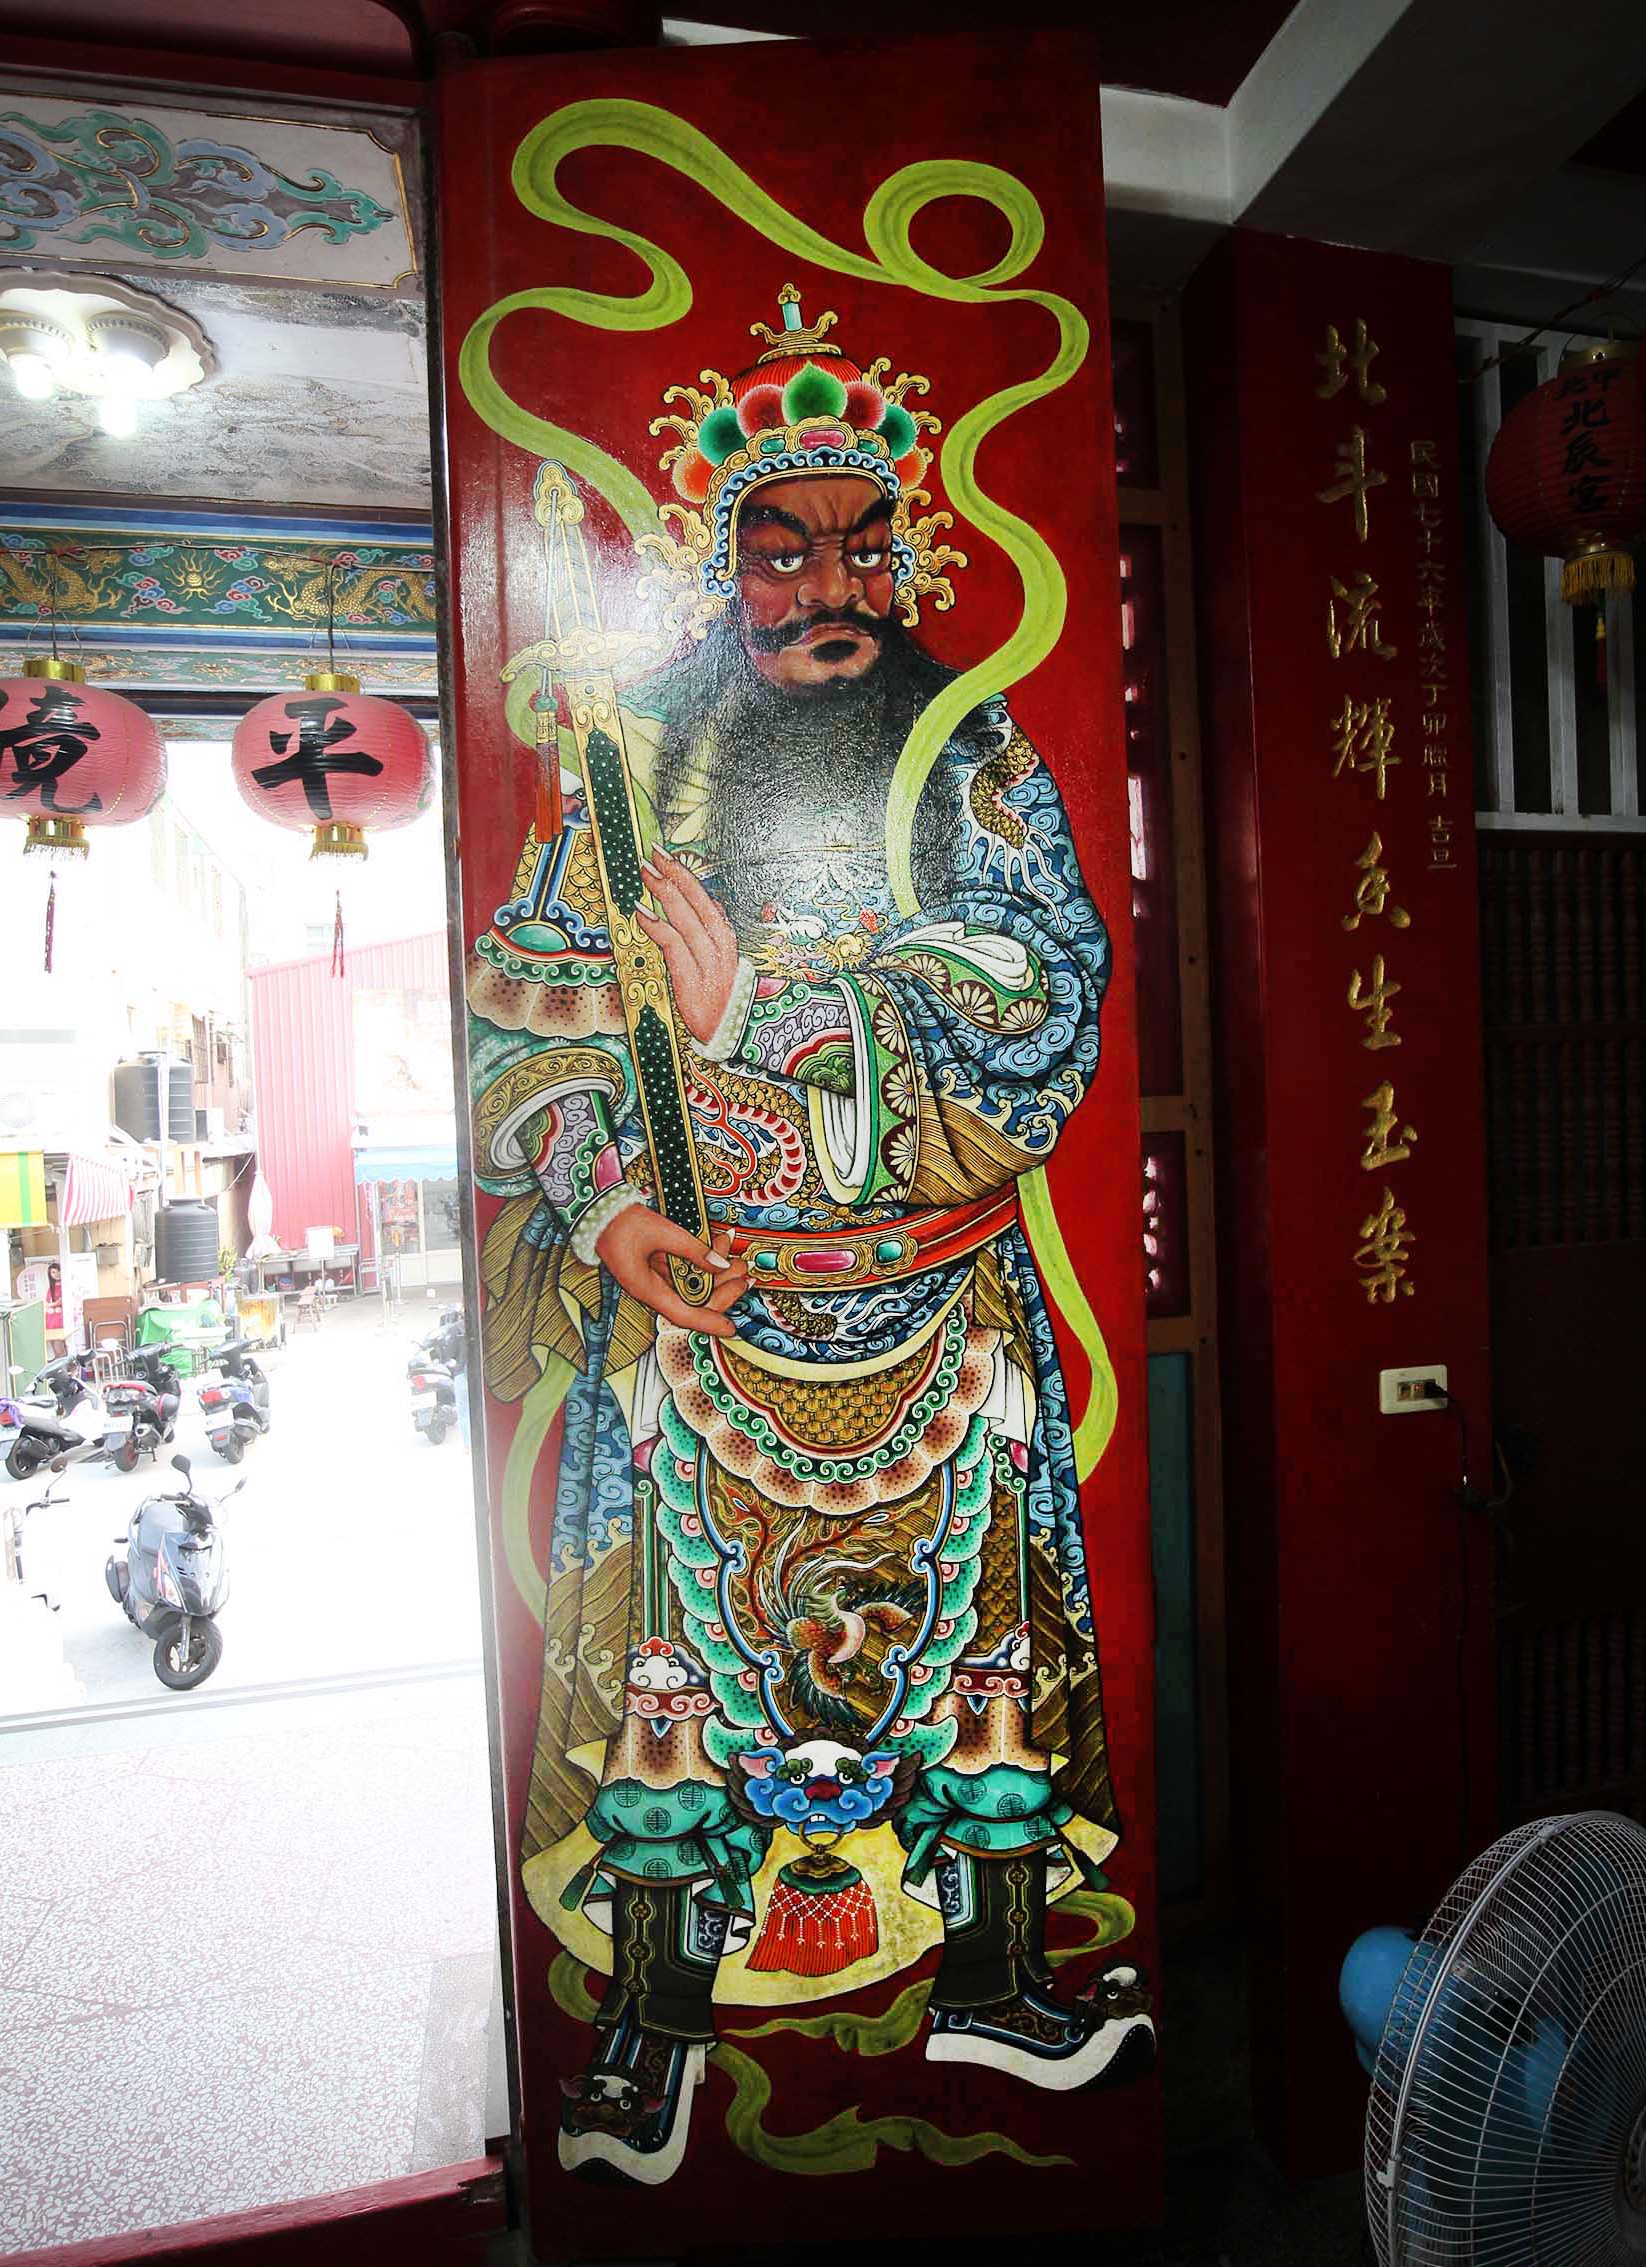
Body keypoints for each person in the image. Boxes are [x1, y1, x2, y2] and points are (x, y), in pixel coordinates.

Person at [467, 289, 1152, 2183]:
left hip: (937, 1304)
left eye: (863, 544)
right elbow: (520, 1024)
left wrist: (769, 1001)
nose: (828, 587)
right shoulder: (625, 771)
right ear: (725, 562)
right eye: (783, 550)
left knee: (978, 1664)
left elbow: (1046, 988)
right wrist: (610, 1206)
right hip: (708, 1321)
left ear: (907, 551)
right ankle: (652, 2022)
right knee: (677, 1677)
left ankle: (996, 1978)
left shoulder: (965, 746)